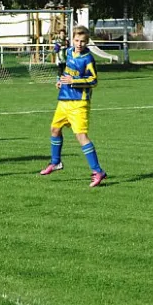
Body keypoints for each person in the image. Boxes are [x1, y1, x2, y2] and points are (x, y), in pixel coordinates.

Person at [40, 25, 107, 187]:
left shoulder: (88, 59)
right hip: (64, 100)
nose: (79, 44)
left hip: (79, 103)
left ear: (87, 42)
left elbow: (94, 81)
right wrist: (61, 80)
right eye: (77, 40)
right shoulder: (69, 52)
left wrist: (73, 82)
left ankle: (98, 171)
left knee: (81, 136)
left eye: (83, 41)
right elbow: (67, 72)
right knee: (55, 129)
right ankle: (56, 162)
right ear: (73, 40)